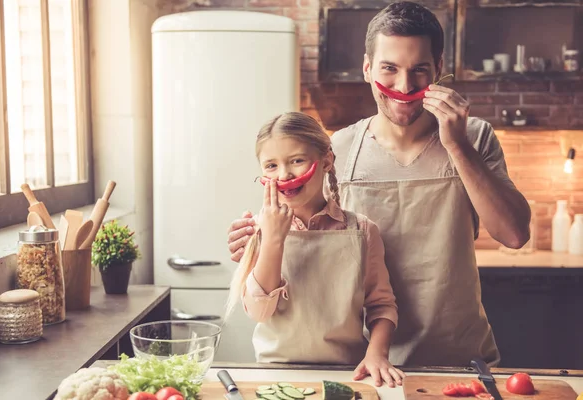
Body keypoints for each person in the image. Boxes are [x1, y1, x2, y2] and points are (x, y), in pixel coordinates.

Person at [226, 1, 531, 368]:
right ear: (368, 68)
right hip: (364, 363)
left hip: (458, 357)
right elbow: (302, 227)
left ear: (438, 70)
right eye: (390, 68)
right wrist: (257, 237)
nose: (404, 86)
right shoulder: (338, 147)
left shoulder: (474, 138)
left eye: (419, 70)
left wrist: (456, 145)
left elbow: (514, 235)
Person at [224, 111, 405, 387]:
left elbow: (382, 307)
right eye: (271, 166)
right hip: (275, 375)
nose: (284, 175)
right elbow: (259, 313)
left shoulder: (362, 230)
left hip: (348, 374)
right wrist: (273, 238)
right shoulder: (257, 229)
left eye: (297, 161)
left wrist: (377, 353)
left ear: (327, 161)